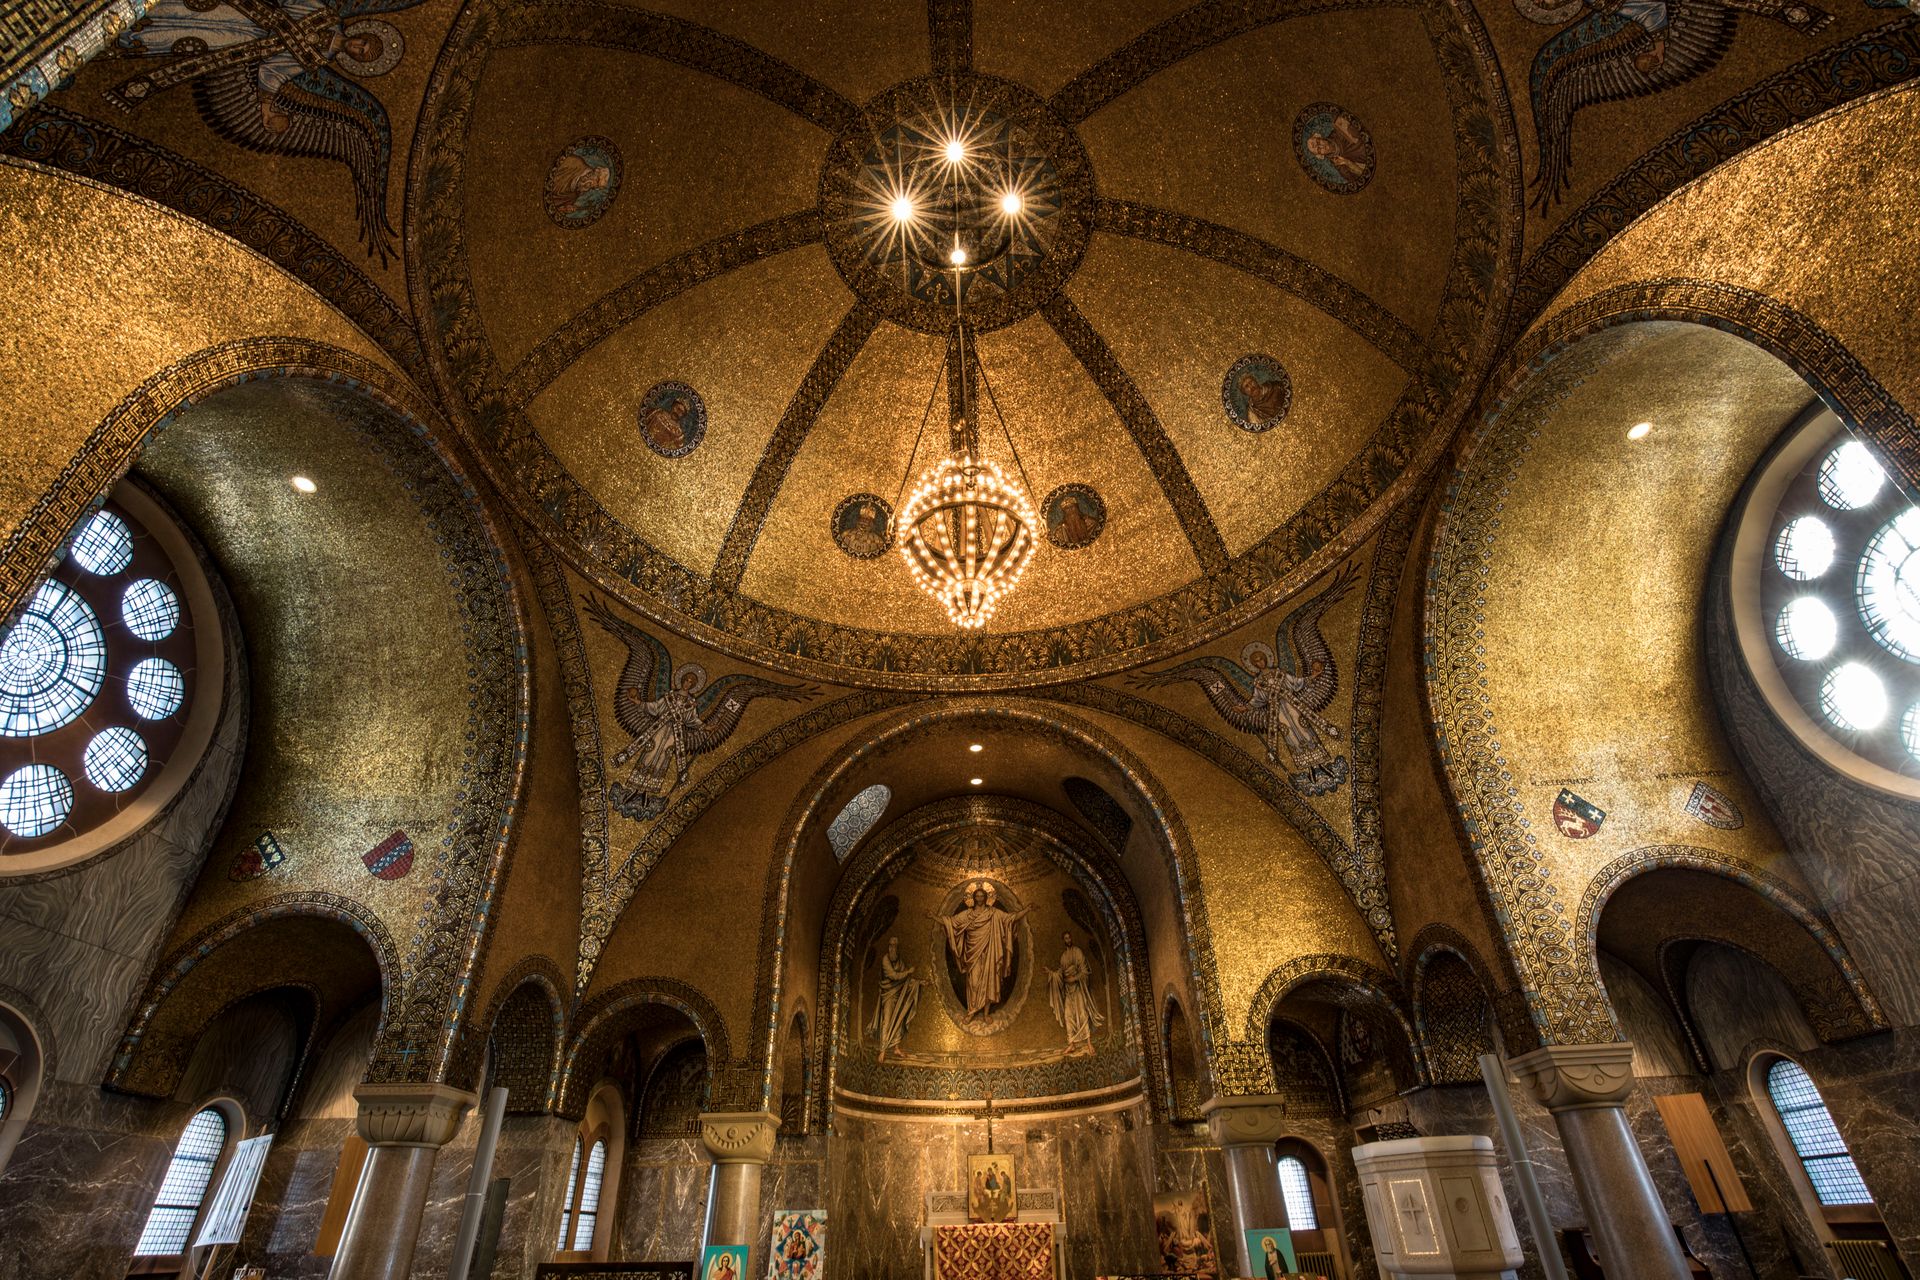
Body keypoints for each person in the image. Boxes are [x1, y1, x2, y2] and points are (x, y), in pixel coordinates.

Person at [934, 883, 1030, 1019]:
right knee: (973, 983)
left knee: (989, 981)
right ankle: (971, 1011)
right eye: (977, 896)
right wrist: (934, 917)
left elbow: (1010, 918)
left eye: (982, 896)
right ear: (973, 898)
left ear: (986, 897)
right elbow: (951, 922)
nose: (979, 898)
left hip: (991, 952)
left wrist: (1026, 910)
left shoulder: (993, 913)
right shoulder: (968, 914)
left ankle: (986, 1014)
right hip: (973, 953)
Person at [612, 667, 702, 801]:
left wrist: (706, 727)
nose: (687, 684)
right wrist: (638, 702)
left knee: (663, 757)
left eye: (690, 682)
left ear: (693, 686)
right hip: (660, 728)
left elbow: (693, 720)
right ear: (682, 681)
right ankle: (634, 788)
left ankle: (646, 793)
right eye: (686, 680)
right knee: (650, 751)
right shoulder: (670, 696)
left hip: (674, 735)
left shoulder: (691, 704)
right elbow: (654, 707)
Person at [1246, 651, 1341, 771]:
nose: (1260, 662)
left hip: (1291, 704)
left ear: (1265, 659)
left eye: (1261, 659)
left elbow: (1296, 683)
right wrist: (1245, 708)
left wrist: (1313, 676)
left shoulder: (1279, 673)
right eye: (1257, 662)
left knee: (1303, 726)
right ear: (1254, 664)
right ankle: (1308, 767)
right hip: (1278, 711)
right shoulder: (1259, 682)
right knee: (1289, 732)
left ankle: (1321, 762)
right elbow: (1257, 699)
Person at [1047, 931, 1104, 1056]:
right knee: (1068, 1015)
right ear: (1064, 940)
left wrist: (1075, 978)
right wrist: (1052, 974)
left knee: (1082, 1013)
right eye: (1065, 938)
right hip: (1068, 990)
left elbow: (1084, 971)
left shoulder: (1078, 952)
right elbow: (1061, 974)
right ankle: (1071, 1044)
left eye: (1069, 937)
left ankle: (1089, 1043)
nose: (1067, 940)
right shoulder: (1063, 957)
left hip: (1078, 988)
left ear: (1071, 938)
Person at [868, 935, 921, 1061]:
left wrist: (919, 982)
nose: (892, 948)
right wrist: (908, 972)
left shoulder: (900, 961)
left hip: (898, 994)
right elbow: (893, 976)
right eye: (890, 945)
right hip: (888, 995)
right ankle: (883, 1050)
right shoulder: (885, 959)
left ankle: (896, 1048)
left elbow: (905, 980)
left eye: (894, 946)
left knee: (898, 1018)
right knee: (887, 1021)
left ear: (897, 947)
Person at [1303, 114, 1372, 184]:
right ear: (1321, 156)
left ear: (1321, 137)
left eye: (1318, 142)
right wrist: (1349, 163)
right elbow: (1362, 179)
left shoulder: (1339, 130)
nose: (1321, 146)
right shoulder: (1338, 164)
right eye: (1319, 150)